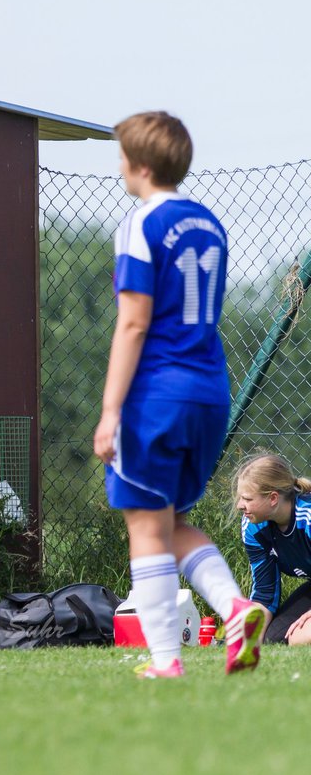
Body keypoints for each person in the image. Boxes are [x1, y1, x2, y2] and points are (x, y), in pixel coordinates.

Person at [92, 111, 268, 678]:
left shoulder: (138, 223)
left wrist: (111, 409)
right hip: (208, 391)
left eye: (121, 156)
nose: (118, 165)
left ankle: (166, 660)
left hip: (157, 395)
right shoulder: (208, 223)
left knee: (144, 526)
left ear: (141, 165)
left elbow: (134, 322)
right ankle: (236, 609)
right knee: (169, 523)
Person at [234, 453, 311, 645]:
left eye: (247, 499)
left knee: (300, 638)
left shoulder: (307, 516)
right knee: (273, 638)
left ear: (273, 498)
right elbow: (264, 594)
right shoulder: (253, 528)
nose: (239, 506)